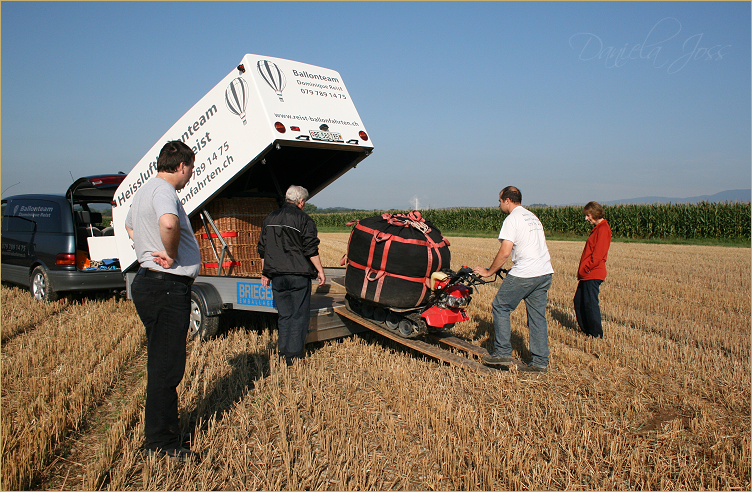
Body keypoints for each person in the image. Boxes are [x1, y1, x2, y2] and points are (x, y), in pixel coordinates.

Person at [125, 140, 201, 462]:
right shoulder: (165, 191)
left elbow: (129, 226)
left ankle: (163, 431)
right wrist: (168, 254)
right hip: (166, 287)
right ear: (181, 166)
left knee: (162, 363)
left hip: (151, 283)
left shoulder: (144, 190)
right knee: (167, 368)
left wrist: (146, 248)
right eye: (191, 169)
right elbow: (168, 223)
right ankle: (162, 444)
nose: (190, 176)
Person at [473, 186, 554, 373]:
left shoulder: (512, 219)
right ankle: (540, 362)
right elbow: (531, 247)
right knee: (537, 317)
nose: (499, 204)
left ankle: (502, 353)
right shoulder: (532, 217)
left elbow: (505, 252)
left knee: (500, 306)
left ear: (507, 200)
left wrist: (489, 271)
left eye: (500, 201)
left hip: (526, 272)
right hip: (544, 272)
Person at [258, 185, 326, 366]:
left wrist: (265, 273)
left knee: (284, 315)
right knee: (299, 316)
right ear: (301, 201)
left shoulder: (270, 217)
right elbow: (311, 249)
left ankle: (283, 353)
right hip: (298, 275)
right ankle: (294, 356)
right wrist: (320, 270)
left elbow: (263, 248)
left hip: (277, 276)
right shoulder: (304, 219)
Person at [574, 201, 612, 338]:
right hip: (588, 273)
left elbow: (598, 255)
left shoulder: (603, 229)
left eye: (588, 215)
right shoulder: (598, 228)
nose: (586, 218)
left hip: (593, 273)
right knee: (579, 301)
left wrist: (586, 269)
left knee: (590, 304)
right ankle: (587, 332)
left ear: (594, 214)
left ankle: (595, 334)